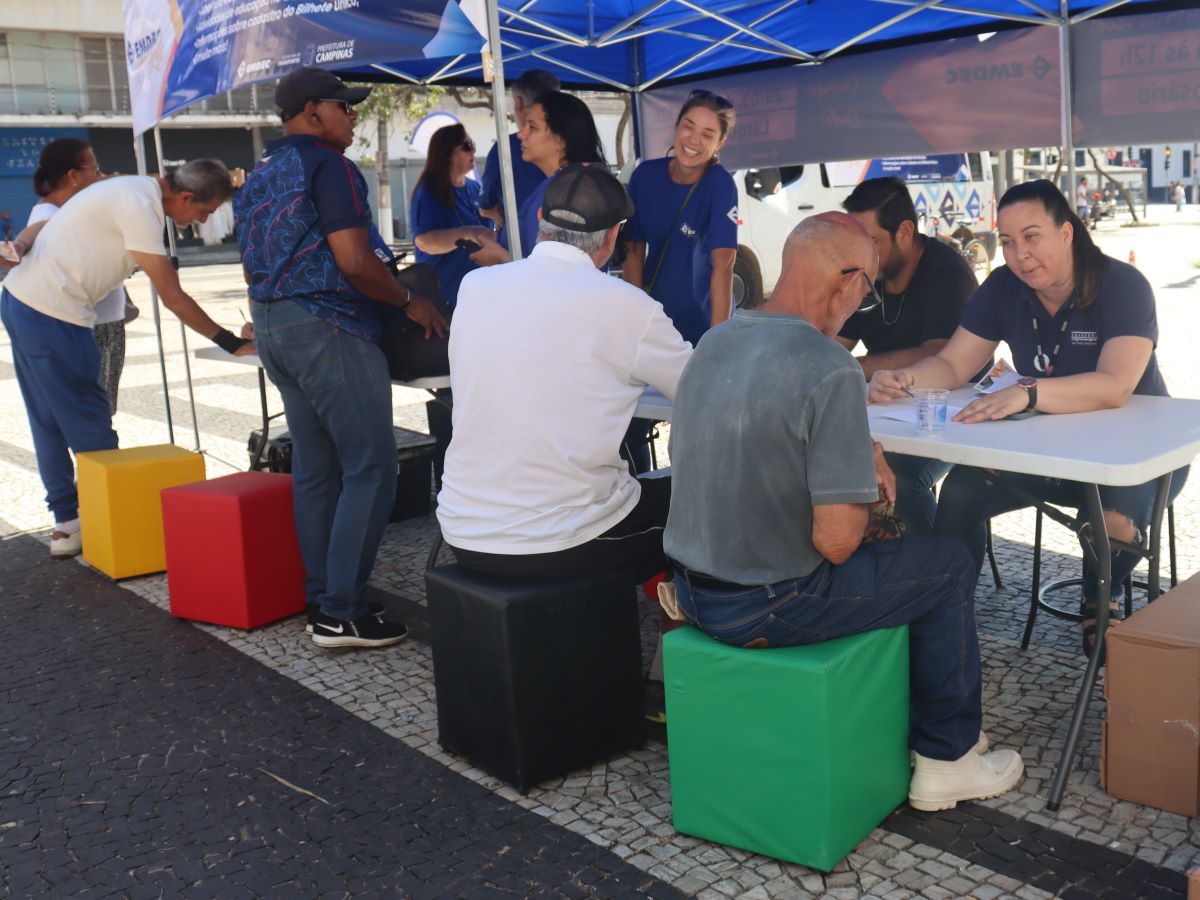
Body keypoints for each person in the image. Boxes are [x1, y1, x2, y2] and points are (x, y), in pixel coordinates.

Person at [664, 212, 1024, 812]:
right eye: (868, 286)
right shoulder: (828, 364)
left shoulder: (715, 341)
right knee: (947, 565)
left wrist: (861, 450)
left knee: (905, 556)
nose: (864, 302)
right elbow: (836, 542)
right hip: (769, 603)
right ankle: (946, 759)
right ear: (846, 278)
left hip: (694, 591)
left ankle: (913, 717)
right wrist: (867, 488)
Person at [869, 180, 1189, 657]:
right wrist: (904, 379)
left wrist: (1028, 392)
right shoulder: (1003, 286)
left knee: (1114, 524)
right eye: (1009, 241)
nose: (1020, 254)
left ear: (1067, 232)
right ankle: (948, 610)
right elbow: (955, 364)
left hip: (1134, 460)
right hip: (1047, 456)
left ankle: (1099, 596)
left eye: (1032, 236)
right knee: (961, 490)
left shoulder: (1122, 285)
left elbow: (1114, 384)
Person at [235, 66, 446, 649]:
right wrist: (410, 301)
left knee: (316, 469)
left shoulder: (260, 172)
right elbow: (354, 261)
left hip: (277, 328)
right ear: (312, 112)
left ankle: (323, 599)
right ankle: (343, 612)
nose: (353, 116)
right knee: (370, 467)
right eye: (344, 107)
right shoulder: (330, 166)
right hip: (329, 327)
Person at [437, 163, 691, 582]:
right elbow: (706, 390)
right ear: (613, 237)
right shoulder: (628, 306)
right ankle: (700, 633)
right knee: (704, 499)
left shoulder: (476, 286)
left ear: (540, 220)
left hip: (462, 530)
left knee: (626, 487)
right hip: (562, 541)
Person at [0, 159, 253, 558]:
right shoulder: (141, 208)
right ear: (185, 196)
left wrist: (26, 244)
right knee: (90, 423)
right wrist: (231, 343)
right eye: (204, 211)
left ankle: (67, 525)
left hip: (20, 300)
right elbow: (172, 296)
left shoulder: (128, 186)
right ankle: (113, 526)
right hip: (54, 314)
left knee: (47, 419)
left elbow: (55, 222)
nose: (201, 221)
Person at [836, 176, 980, 534]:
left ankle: (937, 575)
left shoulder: (948, 272)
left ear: (904, 231)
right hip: (885, 408)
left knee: (902, 475)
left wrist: (861, 368)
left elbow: (939, 354)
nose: (861, 254)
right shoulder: (863, 272)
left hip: (952, 412)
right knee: (830, 456)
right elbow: (836, 346)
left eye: (871, 242)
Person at [620, 89, 738, 472]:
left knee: (696, 434)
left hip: (701, 327)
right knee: (631, 421)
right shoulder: (645, 176)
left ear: (720, 143)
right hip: (653, 325)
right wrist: (636, 322)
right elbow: (633, 250)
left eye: (707, 134)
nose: (694, 140)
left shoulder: (721, 185)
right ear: (675, 127)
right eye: (689, 127)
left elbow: (724, 266)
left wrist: (720, 343)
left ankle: (697, 509)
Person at [27, 138, 131, 413]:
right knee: (95, 410)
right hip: (89, 325)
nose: (99, 177)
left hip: (102, 322)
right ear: (73, 176)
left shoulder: (67, 212)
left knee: (97, 407)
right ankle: (97, 455)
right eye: (95, 170)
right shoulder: (50, 216)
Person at [471, 90, 607, 265]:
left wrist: (499, 257)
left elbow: (558, 270)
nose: (521, 134)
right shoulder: (564, 185)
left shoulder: (566, 193)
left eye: (532, 127)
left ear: (560, 140)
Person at [409, 122, 492, 307]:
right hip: (443, 301)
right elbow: (425, 242)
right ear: (447, 154)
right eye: (467, 146)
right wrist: (466, 233)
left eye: (473, 146)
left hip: (477, 297)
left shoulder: (476, 189)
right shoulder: (429, 192)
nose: (473, 152)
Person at [478, 68, 560, 228]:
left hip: (522, 247)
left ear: (519, 103)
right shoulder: (579, 142)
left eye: (534, 127)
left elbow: (486, 207)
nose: (523, 137)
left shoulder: (505, 148)